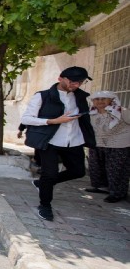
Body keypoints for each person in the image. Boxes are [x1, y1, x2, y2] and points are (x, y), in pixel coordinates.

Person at [21, 66, 96, 221]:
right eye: (73, 82)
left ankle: (42, 184)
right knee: (50, 174)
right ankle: (45, 205)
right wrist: (54, 121)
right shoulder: (43, 96)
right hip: (50, 140)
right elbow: (27, 119)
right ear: (60, 78)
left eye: (80, 83)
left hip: (73, 140)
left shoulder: (81, 97)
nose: (76, 85)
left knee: (78, 171)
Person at [85, 91, 130, 203]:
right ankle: (102, 187)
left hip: (119, 144)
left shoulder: (122, 111)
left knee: (116, 169)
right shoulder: (91, 113)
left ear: (111, 100)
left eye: (104, 99)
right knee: (96, 166)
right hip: (98, 142)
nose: (100, 101)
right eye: (97, 99)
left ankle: (118, 193)